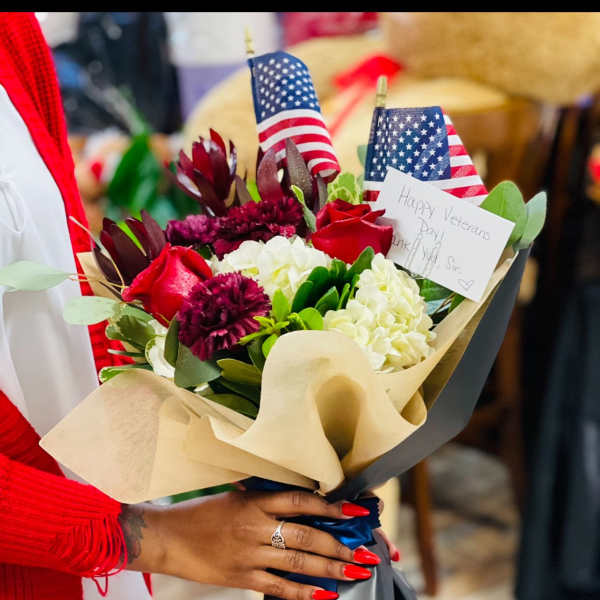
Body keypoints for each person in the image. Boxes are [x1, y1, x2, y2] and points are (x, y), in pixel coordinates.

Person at [0, 12, 398, 600]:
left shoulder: (13, 34)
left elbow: (63, 285)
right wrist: (156, 539)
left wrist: (253, 448)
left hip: (91, 521)